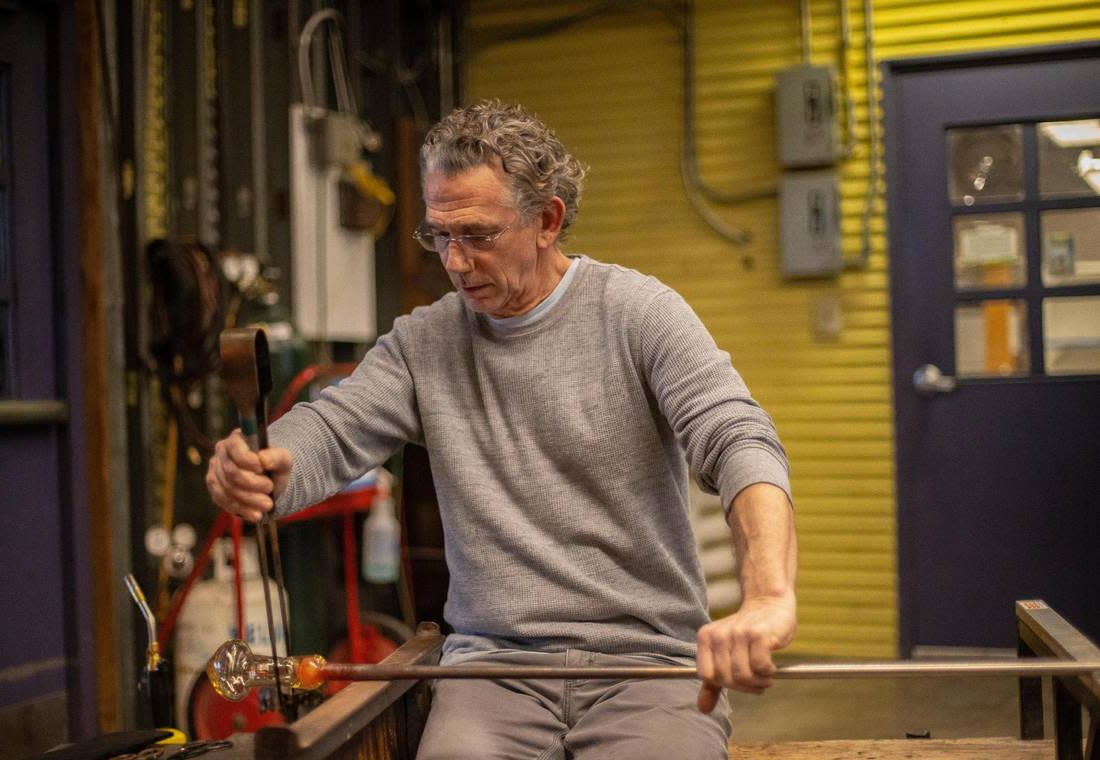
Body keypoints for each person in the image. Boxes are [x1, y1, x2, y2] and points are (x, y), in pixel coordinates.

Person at [206, 101, 796, 759]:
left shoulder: (639, 315)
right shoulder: (426, 343)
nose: (455, 263)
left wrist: (767, 596)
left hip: (646, 662)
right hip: (492, 669)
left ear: (547, 221)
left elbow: (739, 438)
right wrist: (270, 460)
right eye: (439, 236)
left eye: (478, 235)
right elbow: (333, 428)